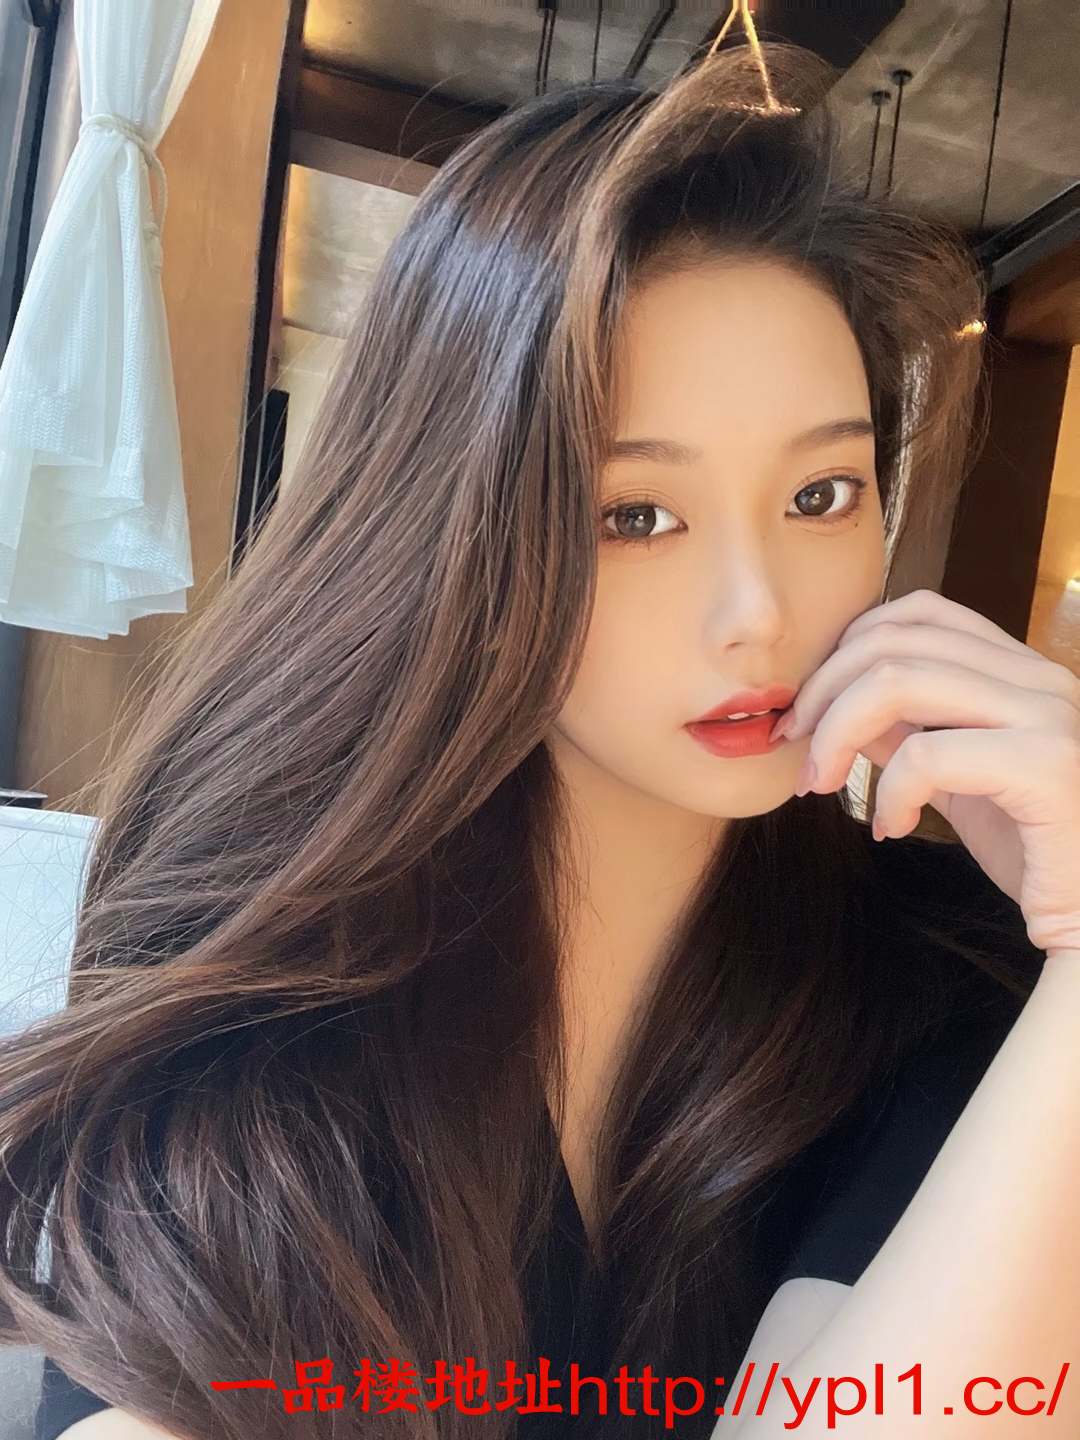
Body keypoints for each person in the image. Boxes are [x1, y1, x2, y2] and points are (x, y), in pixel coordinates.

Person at [1, 42, 1077, 1440]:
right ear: (453, 529)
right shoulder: (260, 966)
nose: (759, 612)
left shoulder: (948, 972)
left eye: (822, 494)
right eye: (636, 516)